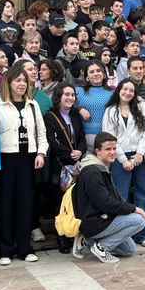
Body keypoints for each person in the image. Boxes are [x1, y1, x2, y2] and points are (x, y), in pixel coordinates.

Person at [0, 67, 48, 265]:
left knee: (26, 203)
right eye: (18, 80)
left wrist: (41, 152)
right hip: (6, 159)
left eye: (24, 81)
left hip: (28, 159)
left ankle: (24, 248)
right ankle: (5, 250)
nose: (22, 84)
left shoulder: (32, 105)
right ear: (8, 83)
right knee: (4, 204)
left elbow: (41, 132)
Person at [71, 132, 145, 263]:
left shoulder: (102, 167)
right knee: (139, 220)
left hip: (103, 218)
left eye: (114, 148)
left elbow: (112, 201)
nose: (112, 152)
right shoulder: (92, 172)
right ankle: (101, 248)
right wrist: (133, 208)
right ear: (97, 151)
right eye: (108, 149)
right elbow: (107, 203)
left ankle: (87, 240)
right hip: (94, 222)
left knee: (129, 250)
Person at [102, 79, 145, 247]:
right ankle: (124, 234)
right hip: (119, 157)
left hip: (141, 154)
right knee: (121, 197)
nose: (127, 92)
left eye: (131, 90)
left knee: (143, 194)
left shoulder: (141, 107)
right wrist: (123, 160)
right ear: (119, 90)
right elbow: (109, 137)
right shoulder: (110, 111)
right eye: (125, 89)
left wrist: (139, 153)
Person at [44, 83, 86, 250]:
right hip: (59, 166)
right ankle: (61, 237)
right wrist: (70, 155)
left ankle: (73, 234)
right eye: (66, 94)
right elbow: (52, 142)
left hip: (75, 166)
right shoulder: (50, 117)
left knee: (75, 202)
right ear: (58, 96)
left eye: (73, 95)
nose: (70, 98)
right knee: (59, 203)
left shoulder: (75, 116)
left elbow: (81, 138)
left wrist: (80, 151)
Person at [76, 61, 114, 149]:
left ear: (104, 74)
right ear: (87, 77)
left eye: (98, 71)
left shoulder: (113, 93)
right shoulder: (78, 91)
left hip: (108, 136)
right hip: (85, 138)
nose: (96, 74)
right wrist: (78, 109)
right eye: (91, 72)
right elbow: (65, 106)